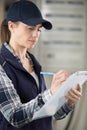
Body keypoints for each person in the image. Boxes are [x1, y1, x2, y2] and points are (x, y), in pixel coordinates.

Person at [0, 0, 82, 130]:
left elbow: (48, 113)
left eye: (39, 29)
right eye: (30, 28)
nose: (35, 35)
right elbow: (14, 116)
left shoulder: (34, 63)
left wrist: (68, 101)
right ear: (11, 26)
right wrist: (51, 93)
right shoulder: (1, 65)